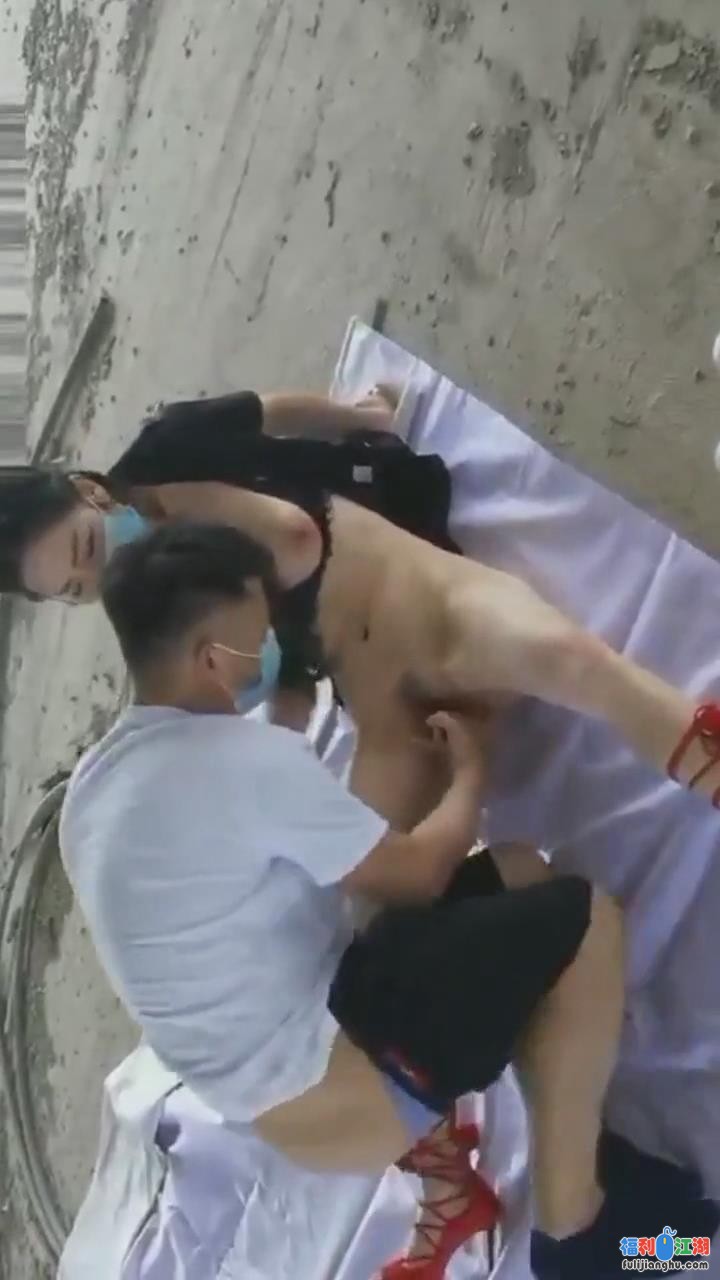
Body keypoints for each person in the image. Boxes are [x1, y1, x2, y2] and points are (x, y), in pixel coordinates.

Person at [58, 524, 717, 1280]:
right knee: (586, 924)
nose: (269, 647)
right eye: (254, 638)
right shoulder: (236, 767)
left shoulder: (97, 786)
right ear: (209, 658)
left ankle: (564, 1143)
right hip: (337, 1079)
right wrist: (470, 771)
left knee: (517, 874)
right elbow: (416, 874)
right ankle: (584, 1237)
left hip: (277, 1076)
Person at [1, 387, 719, 802]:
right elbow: (282, 682)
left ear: (88, 491)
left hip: (419, 597)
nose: (101, 574)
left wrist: (361, 415)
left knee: (574, 661)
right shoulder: (154, 608)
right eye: (75, 590)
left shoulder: (172, 462)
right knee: (374, 890)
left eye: (88, 549)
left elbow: (273, 441)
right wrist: (280, 748)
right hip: (372, 691)